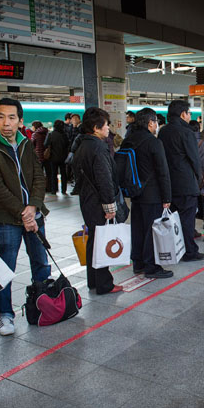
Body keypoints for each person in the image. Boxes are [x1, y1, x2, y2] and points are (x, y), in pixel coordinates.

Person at [0, 98, 51, 336]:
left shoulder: (26, 144)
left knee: (40, 262)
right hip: (8, 219)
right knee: (5, 268)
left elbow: (39, 177)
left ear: (20, 121)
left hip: (34, 214)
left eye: (11, 118)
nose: (6, 123)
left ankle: (43, 305)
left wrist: (34, 206)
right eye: (1, 117)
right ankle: (5, 315)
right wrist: (24, 212)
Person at [72, 108, 124, 294]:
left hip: (86, 200)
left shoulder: (81, 145)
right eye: (106, 125)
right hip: (98, 202)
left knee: (94, 240)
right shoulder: (99, 147)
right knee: (102, 241)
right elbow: (104, 179)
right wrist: (110, 206)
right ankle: (104, 284)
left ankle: (93, 280)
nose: (108, 128)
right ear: (96, 128)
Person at [121, 108, 173, 278]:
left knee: (138, 228)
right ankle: (152, 267)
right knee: (151, 231)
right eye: (156, 122)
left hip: (135, 192)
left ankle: (138, 263)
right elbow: (162, 171)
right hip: (152, 194)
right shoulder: (153, 142)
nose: (157, 125)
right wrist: (167, 197)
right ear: (151, 123)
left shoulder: (128, 140)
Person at [158, 100, 204, 261]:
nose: (189, 116)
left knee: (174, 218)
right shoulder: (186, 132)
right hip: (186, 182)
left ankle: (176, 248)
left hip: (169, 183)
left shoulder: (163, 131)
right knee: (187, 219)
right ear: (183, 114)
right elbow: (194, 159)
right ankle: (189, 251)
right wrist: (199, 177)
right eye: (189, 113)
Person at [46, 120, 70, 194]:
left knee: (54, 174)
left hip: (53, 157)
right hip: (63, 157)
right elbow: (68, 145)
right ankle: (64, 190)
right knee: (63, 174)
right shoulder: (65, 135)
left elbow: (46, 144)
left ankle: (54, 190)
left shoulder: (51, 134)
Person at [30, 121, 50, 193]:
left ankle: (40, 188)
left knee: (38, 174)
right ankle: (49, 187)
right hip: (47, 156)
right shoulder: (47, 133)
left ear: (35, 126)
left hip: (38, 157)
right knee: (48, 173)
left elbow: (31, 145)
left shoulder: (35, 134)